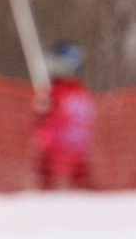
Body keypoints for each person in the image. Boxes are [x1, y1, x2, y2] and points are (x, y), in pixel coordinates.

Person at [33, 41, 97, 190]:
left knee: (81, 187)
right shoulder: (76, 91)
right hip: (67, 155)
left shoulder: (63, 91)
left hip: (63, 154)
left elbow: (44, 121)